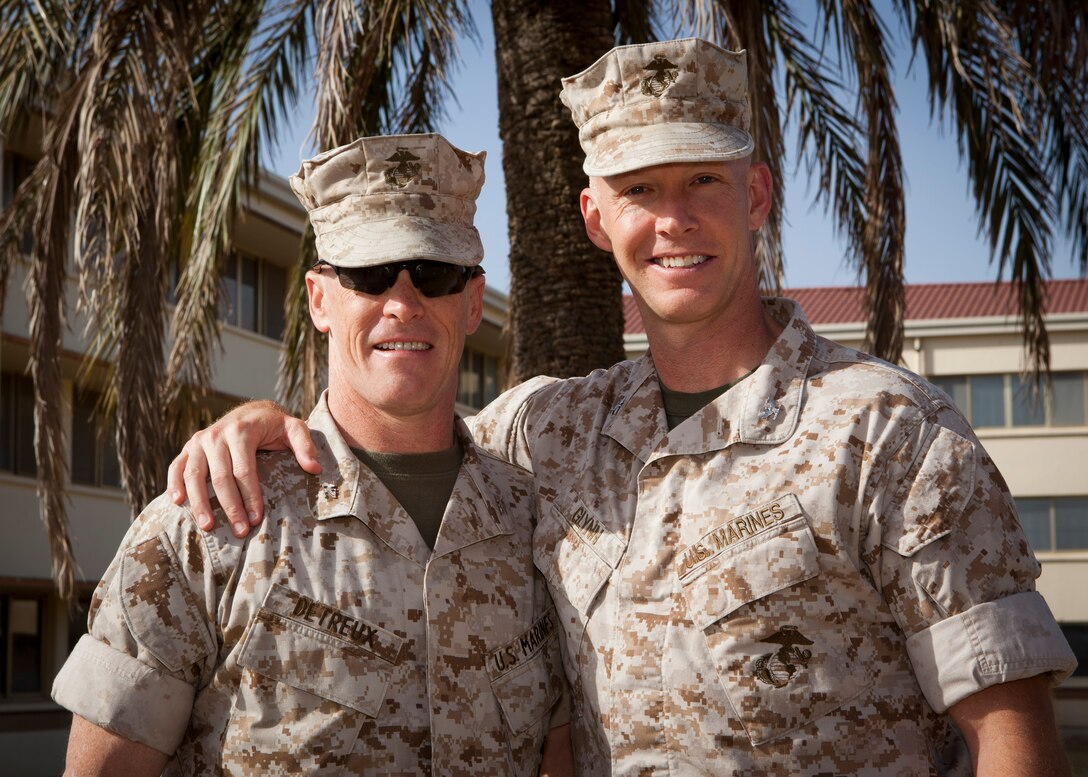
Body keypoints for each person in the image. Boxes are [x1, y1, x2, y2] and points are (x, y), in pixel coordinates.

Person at [169, 40, 1077, 776]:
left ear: (754, 196)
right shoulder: (554, 429)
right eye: (639, 189)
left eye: (703, 182)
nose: (672, 219)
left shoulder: (888, 431)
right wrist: (266, 425)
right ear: (597, 221)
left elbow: (1013, 740)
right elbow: (400, 433)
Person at [53, 133, 572, 776]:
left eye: (433, 274)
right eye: (369, 274)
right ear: (320, 299)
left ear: (471, 303)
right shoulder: (211, 523)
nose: (403, 304)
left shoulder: (536, 525)